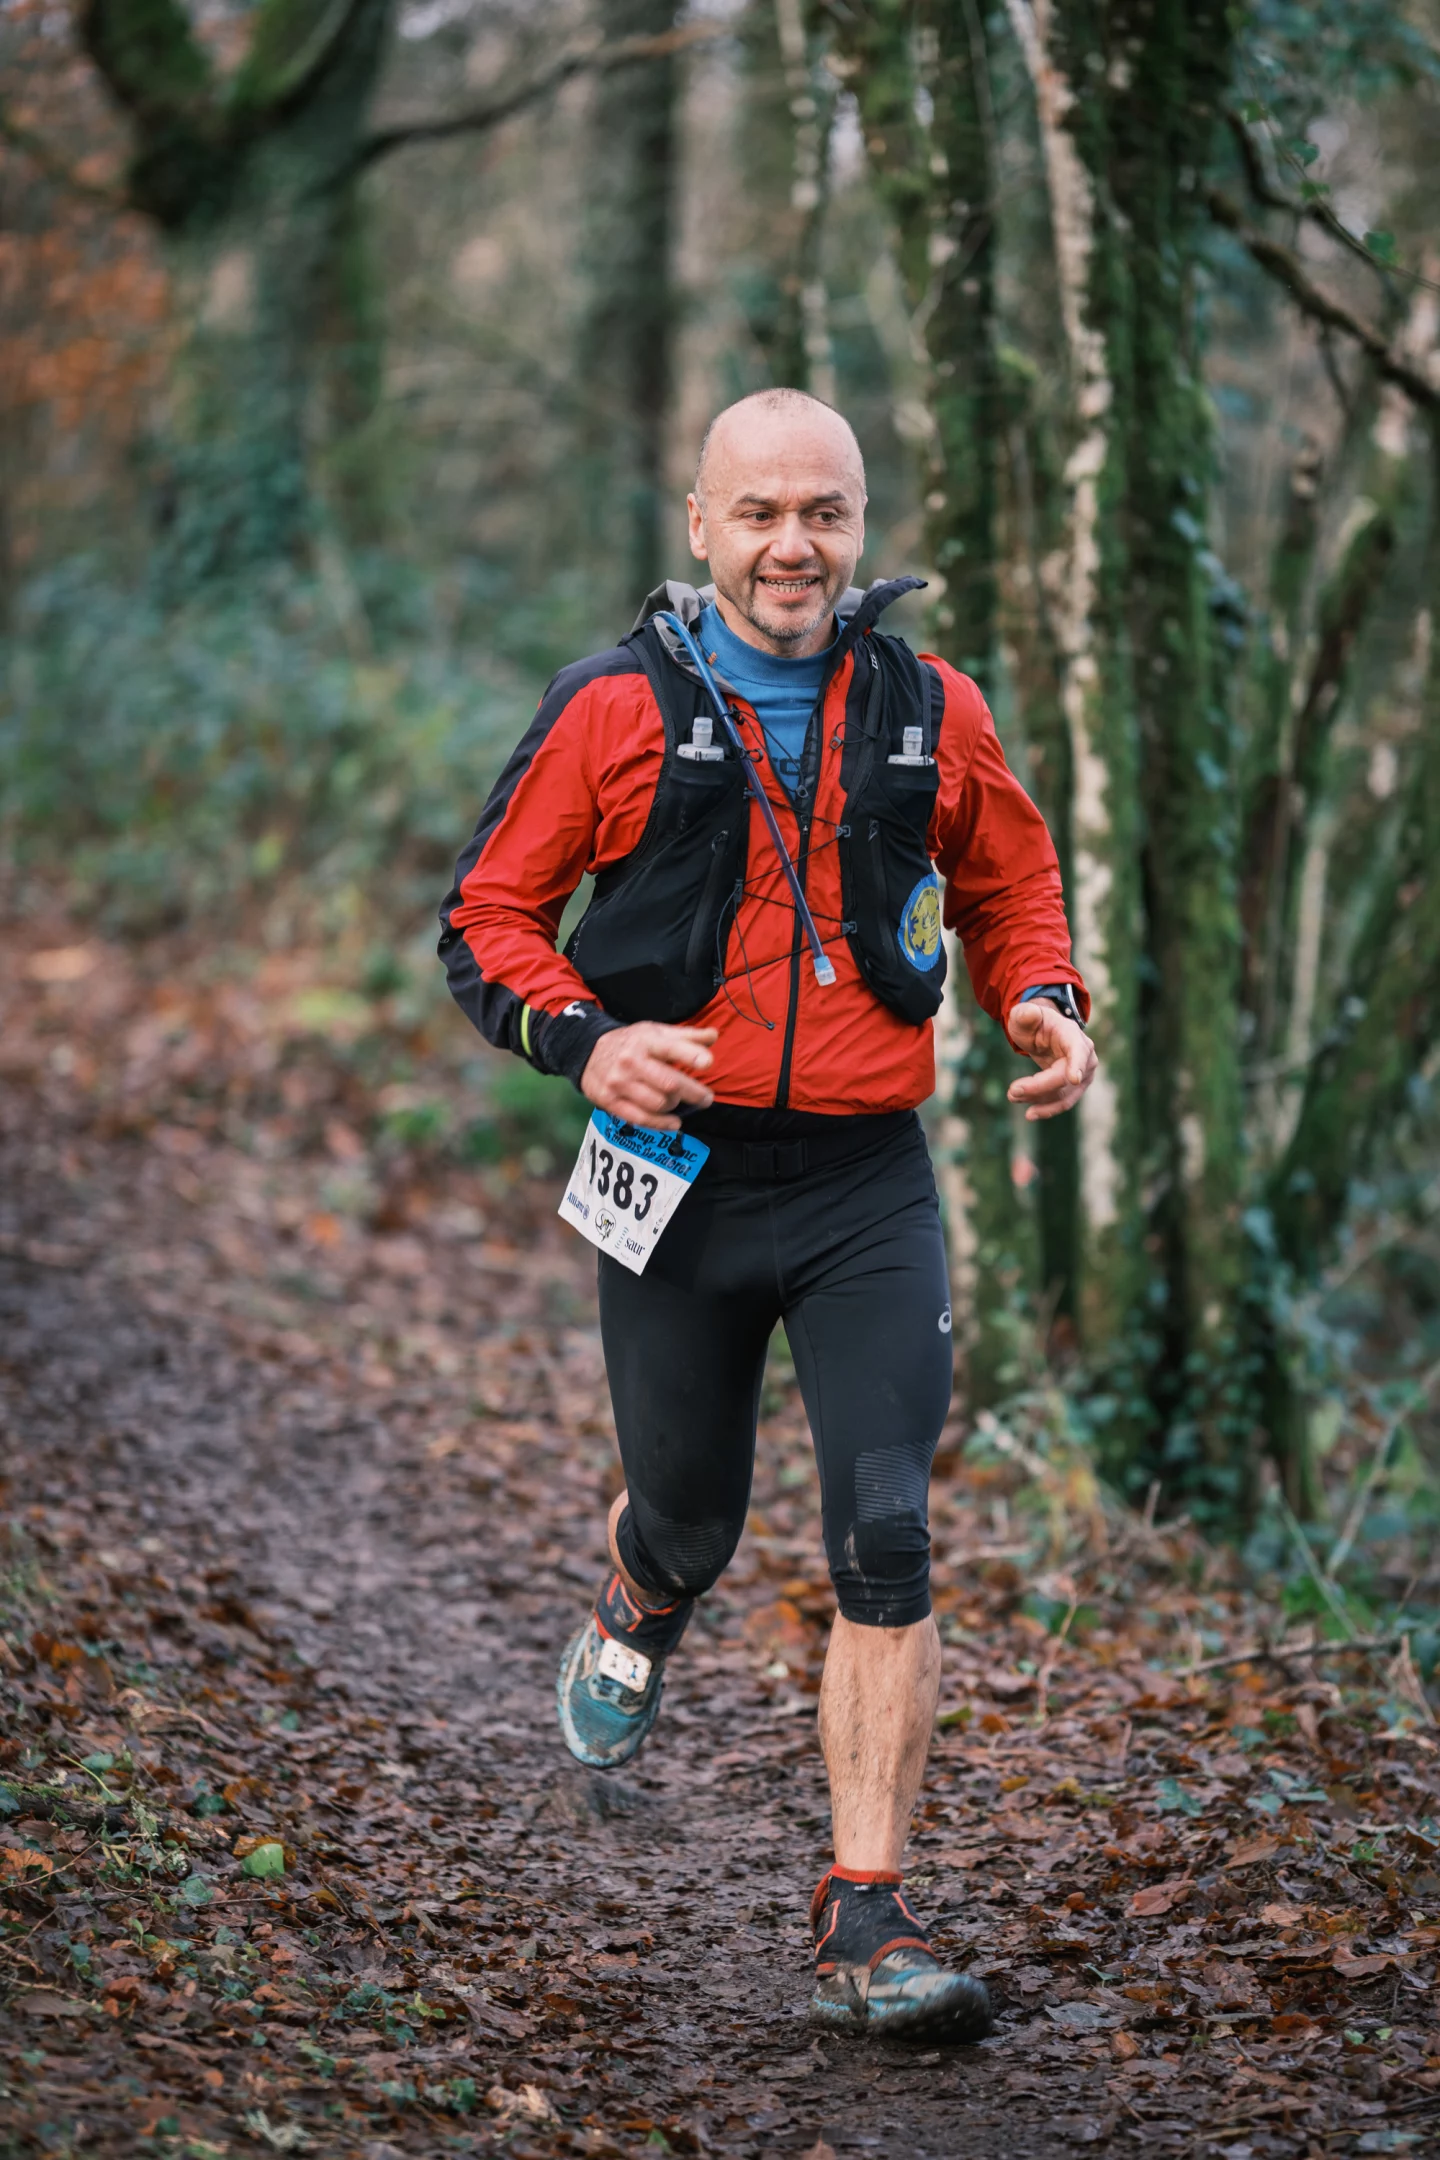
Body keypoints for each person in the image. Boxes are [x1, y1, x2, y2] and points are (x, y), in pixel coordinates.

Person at [439, 388, 1097, 2040]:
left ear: (861, 524)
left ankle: (866, 1918)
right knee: (693, 1513)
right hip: (681, 1176)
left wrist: (1042, 995)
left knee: (887, 1530)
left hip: (869, 1180)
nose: (793, 545)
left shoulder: (930, 708)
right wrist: (587, 1043)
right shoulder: (612, 707)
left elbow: (1010, 883)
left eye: (824, 512)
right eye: (759, 513)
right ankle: (644, 1588)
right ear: (701, 524)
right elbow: (487, 918)